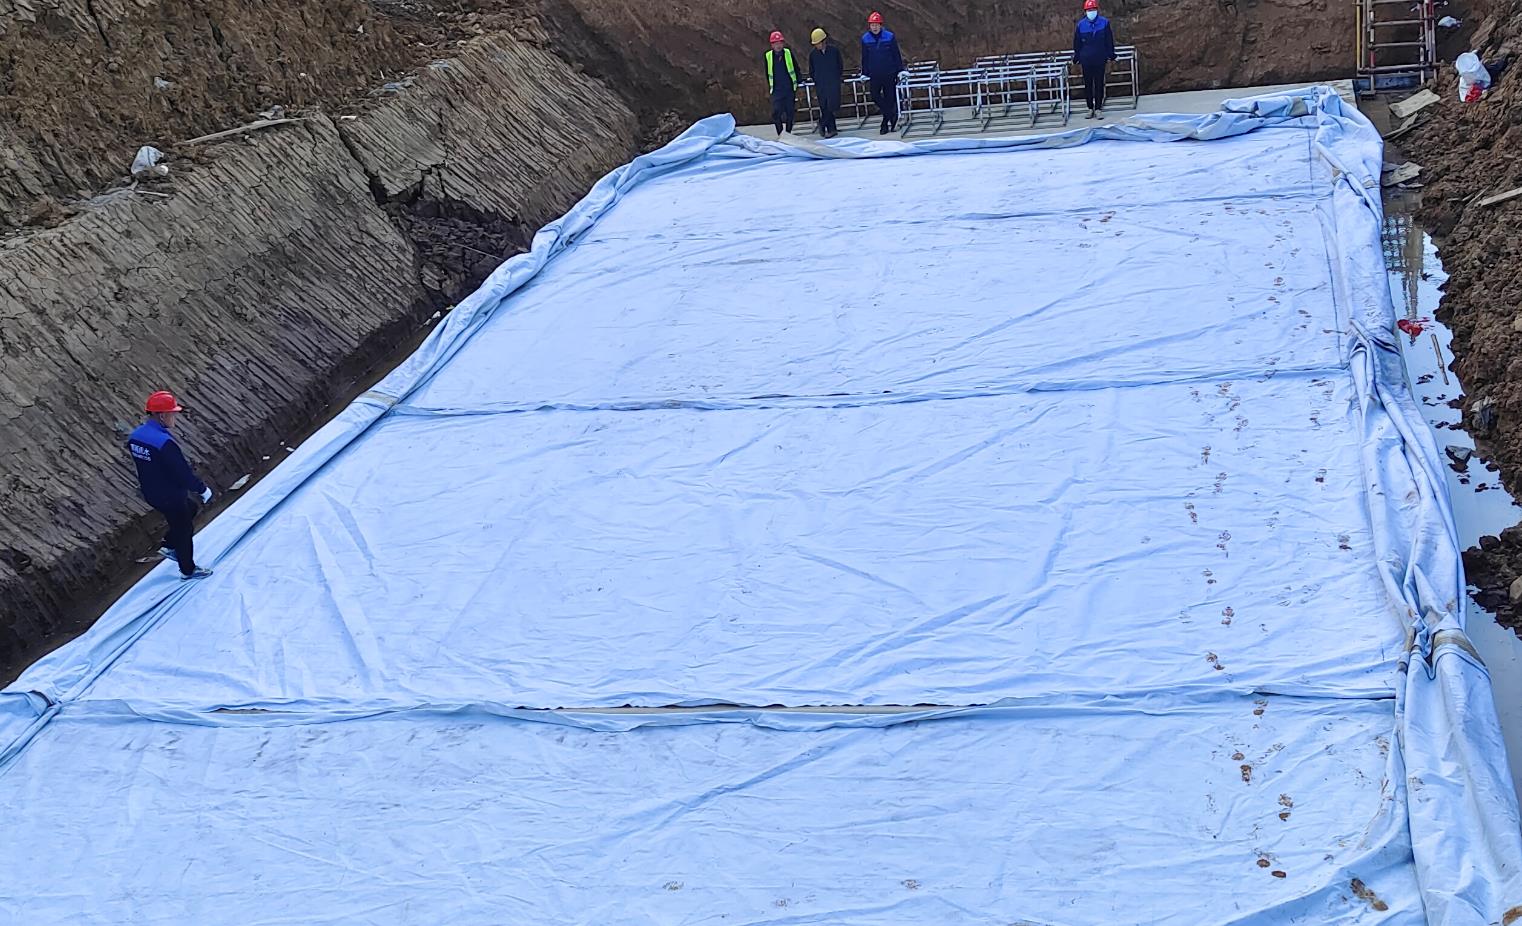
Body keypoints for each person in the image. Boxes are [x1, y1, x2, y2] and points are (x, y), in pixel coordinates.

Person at [128, 391, 214, 580]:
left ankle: (169, 545)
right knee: (184, 529)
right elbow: (182, 472)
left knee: (190, 508)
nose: (175, 417)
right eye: (172, 413)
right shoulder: (164, 443)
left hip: (151, 492)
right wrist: (201, 489)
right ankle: (188, 570)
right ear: (161, 415)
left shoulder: (135, 437)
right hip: (171, 495)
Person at [860, 11, 904, 134]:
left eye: (876, 24)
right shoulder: (865, 39)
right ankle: (891, 115)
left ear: (880, 25)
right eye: (872, 24)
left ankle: (885, 123)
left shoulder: (889, 37)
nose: (874, 27)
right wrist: (864, 72)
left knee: (889, 98)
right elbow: (865, 57)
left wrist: (900, 70)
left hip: (889, 72)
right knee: (875, 96)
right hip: (874, 74)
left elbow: (896, 54)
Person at [1073, 0, 1117, 119]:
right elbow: (1077, 43)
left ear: (1097, 10)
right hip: (1086, 59)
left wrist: (1111, 54)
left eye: (1092, 10)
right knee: (1087, 84)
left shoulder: (1104, 23)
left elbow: (1109, 40)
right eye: (1088, 10)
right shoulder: (1081, 25)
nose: (1090, 12)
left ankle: (1098, 108)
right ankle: (1089, 108)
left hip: (1100, 57)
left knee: (1099, 83)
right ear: (1085, 11)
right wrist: (1077, 56)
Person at [809, 27, 845, 138]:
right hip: (821, 85)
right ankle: (831, 129)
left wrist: (837, 78)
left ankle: (822, 123)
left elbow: (840, 65)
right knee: (824, 107)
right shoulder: (813, 55)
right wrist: (817, 80)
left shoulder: (834, 51)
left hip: (833, 83)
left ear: (824, 41)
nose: (817, 46)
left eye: (818, 43)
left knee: (832, 106)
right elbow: (812, 70)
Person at [764, 31, 800, 136]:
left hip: (789, 88)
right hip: (777, 90)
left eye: (780, 43)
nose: (778, 45)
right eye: (775, 43)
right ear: (772, 45)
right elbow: (767, 72)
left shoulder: (788, 53)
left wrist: (798, 81)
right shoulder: (768, 56)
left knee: (790, 113)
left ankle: (788, 133)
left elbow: (796, 68)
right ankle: (780, 134)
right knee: (776, 112)